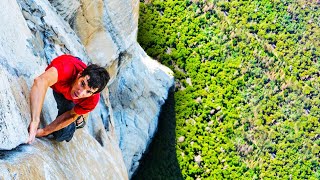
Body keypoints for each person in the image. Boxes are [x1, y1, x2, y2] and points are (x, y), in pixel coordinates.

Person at [27, 54, 110, 144]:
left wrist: (44, 131)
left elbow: (71, 115)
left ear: (93, 93)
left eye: (88, 92)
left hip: (72, 100)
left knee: (61, 134)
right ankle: (80, 115)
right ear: (79, 75)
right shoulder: (66, 67)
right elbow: (40, 81)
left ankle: (79, 119)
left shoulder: (92, 99)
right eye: (82, 84)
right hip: (65, 81)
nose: (81, 93)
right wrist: (35, 121)